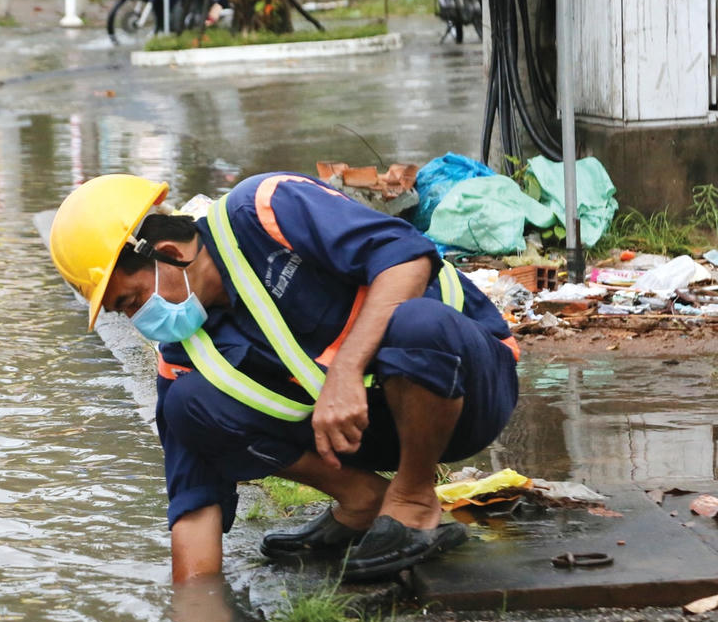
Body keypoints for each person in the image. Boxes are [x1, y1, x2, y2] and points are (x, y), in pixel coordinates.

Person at [49, 171, 519, 585]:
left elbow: (406, 258)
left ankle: (414, 500)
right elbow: (193, 509)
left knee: (417, 323)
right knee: (187, 404)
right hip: (367, 426)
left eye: (132, 302)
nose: (139, 321)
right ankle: (364, 500)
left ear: (168, 253)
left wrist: (348, 371)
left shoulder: (268, 207)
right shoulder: (185, 353)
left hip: (465, 385)